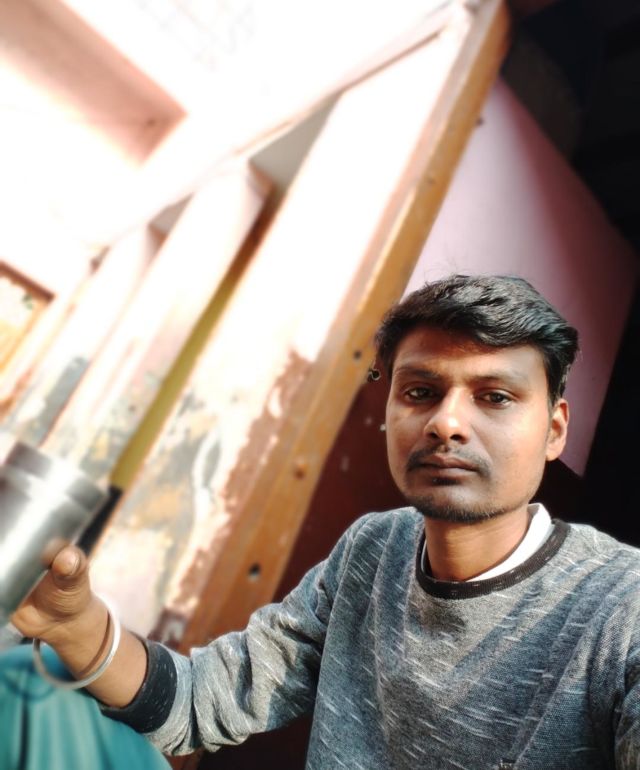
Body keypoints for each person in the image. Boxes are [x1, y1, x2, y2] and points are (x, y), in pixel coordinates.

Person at [10, 274, 640, 768]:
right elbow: (204, 699)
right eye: (420, 392)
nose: (446, 423)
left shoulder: (621, 607)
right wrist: (77, 626)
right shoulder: (371, 549)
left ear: (554, 430)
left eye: (495, 397)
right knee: (21, 686)